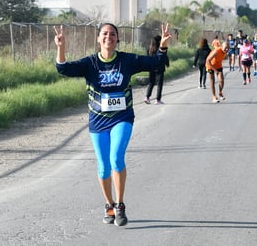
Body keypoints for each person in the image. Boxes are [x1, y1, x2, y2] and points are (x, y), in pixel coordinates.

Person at [54, 22, 171, 226]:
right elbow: (63, 68)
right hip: (98, 122)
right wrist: (61, 47)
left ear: (117, 39)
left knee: (116, 158)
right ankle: (108, 204)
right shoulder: (90, 63)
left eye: (113, 34)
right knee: (103, 167)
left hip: (121, 118)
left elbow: (157, 64)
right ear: (99, 39)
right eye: (105, 34)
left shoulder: (127, 60)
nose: (109, 37)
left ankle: (120, 204)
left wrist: (163, 47)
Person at [144, 35, 170, 104]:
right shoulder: (162, 48)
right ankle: (158, 100)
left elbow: (147, 58)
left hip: (151, 68)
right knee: (159, 84)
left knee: (151, 83)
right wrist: (167, 64)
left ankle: (147, 97)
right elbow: (165, 57)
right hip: (160, 68)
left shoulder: (149, 49)